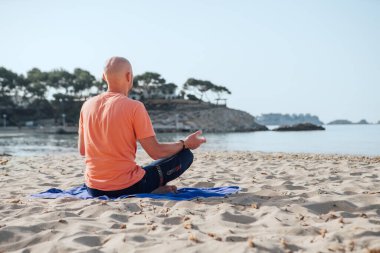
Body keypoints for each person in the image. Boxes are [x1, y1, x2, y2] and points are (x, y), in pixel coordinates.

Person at [78, 56, 206, 198]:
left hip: (93, 188)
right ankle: (149, 189)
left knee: (143, 169)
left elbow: (83, 150)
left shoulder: (86, 106)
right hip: (127, 187)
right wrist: (185, 144)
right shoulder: (134, 107)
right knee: (185, 155)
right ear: (129, 76)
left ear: (103, 77)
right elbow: (155, 152)